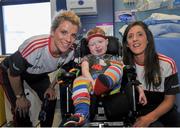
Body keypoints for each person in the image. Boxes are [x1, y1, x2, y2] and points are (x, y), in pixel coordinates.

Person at [0, 10, 81, 127]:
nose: (68, 39)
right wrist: (20, 97)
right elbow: (13, 73)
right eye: (64, 32)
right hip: (11, 72)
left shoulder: (71, 51)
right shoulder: (34, 46)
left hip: (36, 72)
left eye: (73, 35)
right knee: (21, 109)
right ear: (53, 32)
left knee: (50, 99)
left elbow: (63, 71)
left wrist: (51, 87)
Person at [63, 27, 147, 126]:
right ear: (88, 47)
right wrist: (92, 83)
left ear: (107, 42)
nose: (97, 46)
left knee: (117, 66)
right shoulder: (87, 58)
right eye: (92, 44)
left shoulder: (114, 58)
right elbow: (85, 70)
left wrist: (140, 89)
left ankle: (105, 82)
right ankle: (81, 114)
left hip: (112, 87)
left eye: (100, 42)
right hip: (91, 86)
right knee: (79, 79)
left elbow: (130, 74)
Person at [122, 21, 180, 127]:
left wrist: (148, 119)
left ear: (148, 39)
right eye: (130, 36)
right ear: (126, 44)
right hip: (138, 113)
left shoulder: (167, 64)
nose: (135, 39)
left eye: (140, 34)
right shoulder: (124, 67)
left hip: (164, 111)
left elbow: (169, 101)